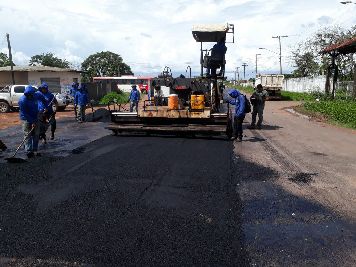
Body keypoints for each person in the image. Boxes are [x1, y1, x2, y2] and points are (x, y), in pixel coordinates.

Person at [18, 85, 40, 158]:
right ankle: (28, 151)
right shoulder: (22, 100)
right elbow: (25, 113)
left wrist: (41, 110)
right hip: (26, 119)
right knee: (28, 135)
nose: (30, 96)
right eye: (29, 95)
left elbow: (39, 102)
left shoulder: (35, 96)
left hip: (35, 117)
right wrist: (32, 121)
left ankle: (35, 149)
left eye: (31, 94)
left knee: (36, 134)